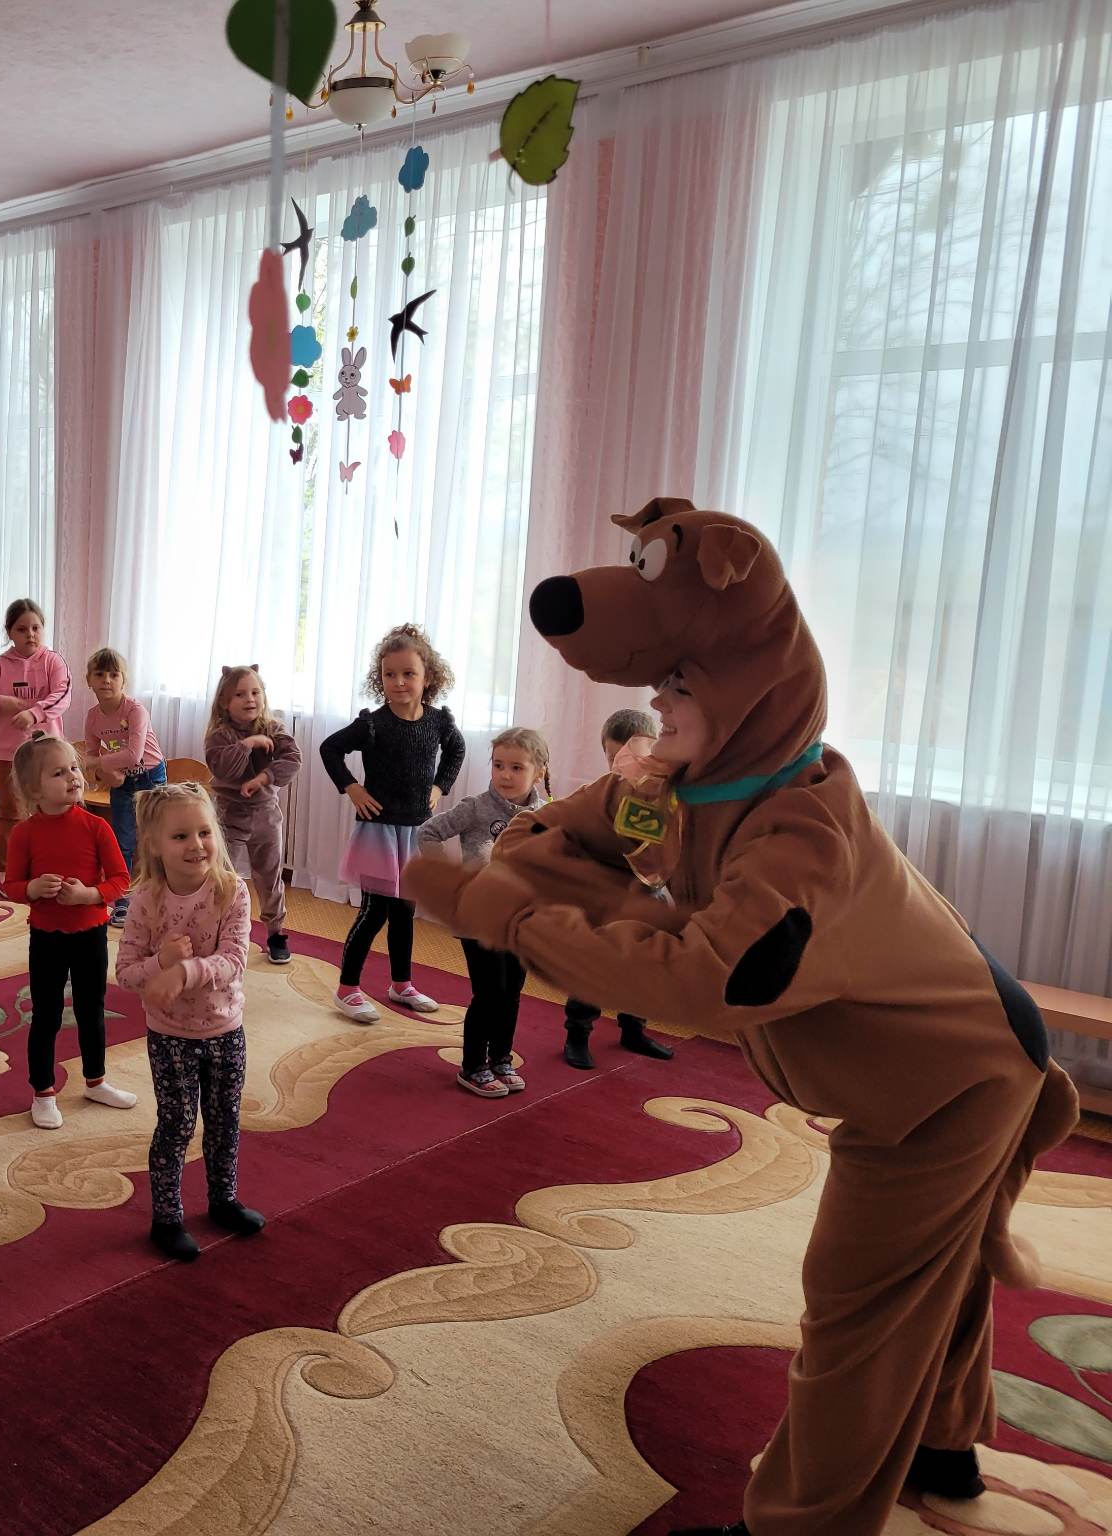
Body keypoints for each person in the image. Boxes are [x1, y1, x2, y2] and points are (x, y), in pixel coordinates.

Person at [404, 499, 1080, 1536]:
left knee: (858, 1298)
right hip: (936, 1053)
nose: (660, 704)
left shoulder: (801, 836)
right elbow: (586, 821)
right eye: (663, 684)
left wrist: (518, 917)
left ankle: (799, 1526)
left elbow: (700, 981)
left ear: (745, 692)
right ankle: (940, 1449)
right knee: (927, 1268)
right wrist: (541, 862)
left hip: (950, 1080)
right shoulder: (696, 782)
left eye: (682, 687)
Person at [114, 784, 264, 1262]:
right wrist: (161, 962)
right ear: (155, 845)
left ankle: (223, 1200)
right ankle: (166, 1218)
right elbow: (125, 973)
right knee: (176, 1124)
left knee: (225, 1120)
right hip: (171, 1036)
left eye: (204, 832)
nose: (196, 845)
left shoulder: (231, 891)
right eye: (180, 836)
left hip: (225, 1029)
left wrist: (183, 972)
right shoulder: (146, 900)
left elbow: (235, 960)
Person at [319, 624, 466, 1023]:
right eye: (390, 674)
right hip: (379, 832)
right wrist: (351, 788)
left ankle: (401, 984)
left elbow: (456, 750)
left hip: (416, 831)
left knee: (404, 912)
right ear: (379, 677)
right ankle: (347, 988)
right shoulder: (373, 724)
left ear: (427, 678)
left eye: (408, 673)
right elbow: (330, 749)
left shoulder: (438, 722)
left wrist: (440, 786)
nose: (399, 682)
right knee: (375, 912)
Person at [3, 734, 136, 1129]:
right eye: (59, 773)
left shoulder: (96, 827)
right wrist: (31, 888)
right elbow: (12, 885)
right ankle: (43, 1092)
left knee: (91, 1009)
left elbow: (121, 879)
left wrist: (89, 895)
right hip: (47, 936)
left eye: (74, 768)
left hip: (91, 934)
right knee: (45, 1015)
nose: (73, 777)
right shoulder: (24, 834)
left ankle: (96, 1080)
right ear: (34, 790)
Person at [418, 727, 551, 1097]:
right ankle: (473, 1066)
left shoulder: (547, 815)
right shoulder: (476, 807)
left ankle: (501, 1059)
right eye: (498, 765)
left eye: (516, 767)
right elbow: (428, 833)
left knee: (511, 991)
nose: (505, 775)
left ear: (538, 772)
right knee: (489, 992)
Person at [561, 707, 675, 1069]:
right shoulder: (597, 796)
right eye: (613, 757)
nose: (621, 764)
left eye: (631, 755)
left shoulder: (661, 794)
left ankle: (634, 1028)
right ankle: (577, 1034)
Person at [203, 666, 302, 967]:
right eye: (240, 694)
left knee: (270, 877)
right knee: (222, 877)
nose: (250, 699)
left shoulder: (275, 728)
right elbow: (225, 769)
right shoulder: (218, 736)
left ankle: (275, 933)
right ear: (224, 702)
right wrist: (248, 744)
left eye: (255, 692)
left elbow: (293, 760)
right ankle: (217, 930)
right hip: (228, 815)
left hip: (265, 814)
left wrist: (263, 777)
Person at [0, 598, 71, 880]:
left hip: (47, 753)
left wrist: (34, 713)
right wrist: (2, 702)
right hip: (8, 753)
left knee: (51, 810)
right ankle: (8, 873)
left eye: (36, 628)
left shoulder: (53, 662)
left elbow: (62, 695)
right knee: (11, 812)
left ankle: (48, 868)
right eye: (22, 629)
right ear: (10, 633)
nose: (31, 635)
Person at [79, 647, 165, 928]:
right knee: (123, 843)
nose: (107, 680)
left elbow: (134, 755)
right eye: (100, 674)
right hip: (122, 782)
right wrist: (104, 774)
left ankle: (160, 900)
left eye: (114, 675)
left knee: (153, 841)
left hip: (150, 777)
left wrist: (99, 763)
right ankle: (123, 903)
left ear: (123, 680)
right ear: (89, 680)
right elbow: (90, 760)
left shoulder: (135, 710)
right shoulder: (93, 717)